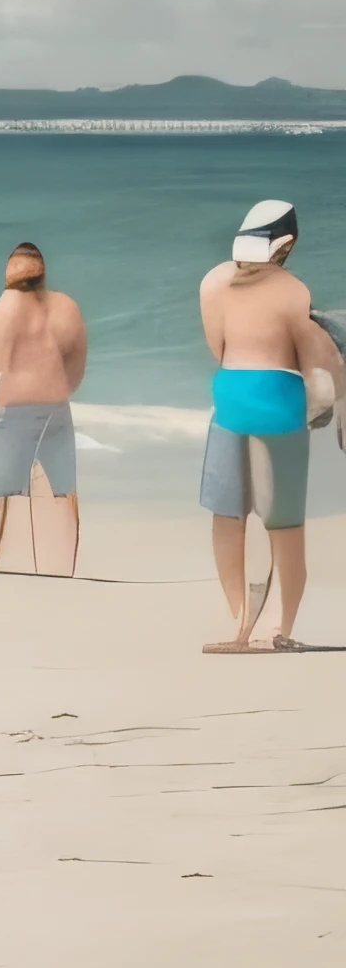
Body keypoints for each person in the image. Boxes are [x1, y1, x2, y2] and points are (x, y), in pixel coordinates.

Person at [197, 198, 332, 652]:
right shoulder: (295, 290)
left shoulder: (213, 282)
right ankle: (282, 629)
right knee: (285, 522)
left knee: (227, 514)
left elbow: (217, 347)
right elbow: (310, 360)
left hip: (230, 399)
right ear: (285, 242)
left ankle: (239, 622)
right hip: (278, 401)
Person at [0, 237, 87, 581]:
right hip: (56, 407)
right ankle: (65, 564)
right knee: (62, 489)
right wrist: (58, 389)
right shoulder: (67, 307)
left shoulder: (7, 308)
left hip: (15, 410)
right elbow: (77, 365)